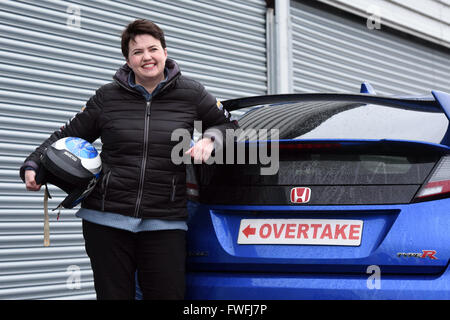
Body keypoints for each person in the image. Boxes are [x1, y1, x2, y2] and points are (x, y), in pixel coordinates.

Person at [19, 19, 238, 300]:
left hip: (164, 221)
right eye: (137, 52)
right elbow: (66, 134)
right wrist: (33, 164)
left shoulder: (191, 92)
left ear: (165, 52)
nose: (147, 57)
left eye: (153, 49)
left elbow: (230, 127)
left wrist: (211, 139)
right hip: (106, 220)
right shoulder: (107, 97)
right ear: (128, 60)